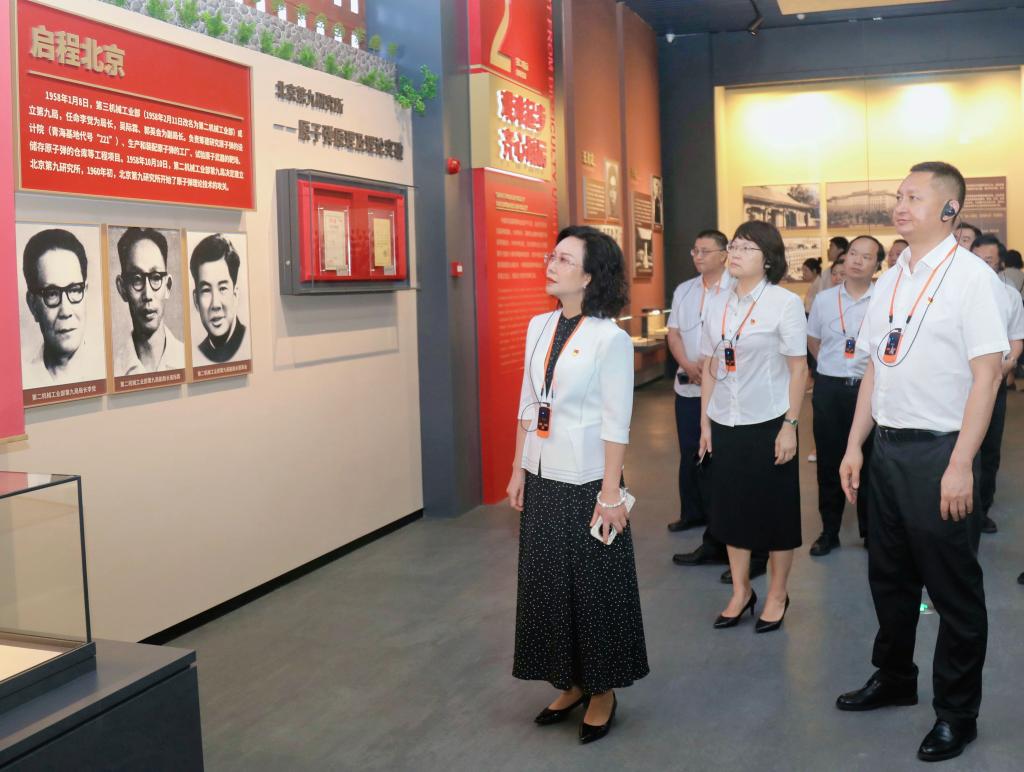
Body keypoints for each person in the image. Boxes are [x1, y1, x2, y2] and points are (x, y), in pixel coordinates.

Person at [836, 162, 1008, 762]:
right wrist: (854, 445)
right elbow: (876, 368)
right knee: (890, 578)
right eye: (898, 195)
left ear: (949, 209)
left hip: (941, 452)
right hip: (886, 449)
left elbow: (988, 378)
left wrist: (961, 464)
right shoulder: (891, 277)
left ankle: (957, 713)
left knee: (953, 590)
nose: (900, 205)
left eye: (913, 197)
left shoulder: (972, 280)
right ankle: (895, 676)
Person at [507, 225, 648, 745]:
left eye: (564, 259)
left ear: (590, 276)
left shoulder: (610, 338)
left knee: (593, 589)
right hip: (542, 475)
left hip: (588, 481)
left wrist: (611, 493)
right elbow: (528, 402)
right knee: (547, 584)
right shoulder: (538, 325)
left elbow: (617, 421)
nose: (552, 263)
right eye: (553, 255)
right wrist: (518, 468)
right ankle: (568, 682)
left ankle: (602, 690)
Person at [699, 220, 807, 632]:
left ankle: (777, 594)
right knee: (731, 512)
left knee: (776, 514)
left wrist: (790, 425)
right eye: (734, 246)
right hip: (726, 420)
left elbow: (798, 370)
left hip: (769, 422)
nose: (736, 253)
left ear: (769, 259)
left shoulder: (784, 303)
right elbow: (711, 365)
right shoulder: (717, 303)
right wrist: (706, 422)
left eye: (747, 248)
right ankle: (741, 592)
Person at [806, 236, 883, 556]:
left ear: (877, 265)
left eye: (866, 256)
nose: (857, 260)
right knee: (829, 460)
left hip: (870, 389)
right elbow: (813, 340)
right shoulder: (824, 300)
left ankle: (871, 531)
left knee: (872, 461)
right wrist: (833, 365)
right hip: (830, 390)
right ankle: (829, 531)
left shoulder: (884, 299)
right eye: (853, 253)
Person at [665, 229, 732, 534]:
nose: (698, 256)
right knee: (690, 450)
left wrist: (709, 370)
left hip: (723, 388)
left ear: (724, 255)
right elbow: (674, 334)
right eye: (695, 251)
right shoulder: (684, 290)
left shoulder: (734, 289)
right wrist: (688, 366)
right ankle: (691, 512)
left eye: (705, 251)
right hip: (689, 384)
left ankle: (720, 517)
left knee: (720, 453)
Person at [970, 234, 1024, 534]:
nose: (981, 264)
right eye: (975, 258)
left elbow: (1016, 337)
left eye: (988, 260)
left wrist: (1010, 362)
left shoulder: (1009, 295)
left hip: (994, 382)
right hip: (956, 384)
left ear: (1000, 263)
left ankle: (981, 510)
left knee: (988, 448)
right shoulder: (953, 290)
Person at [21, 228, 99, 387]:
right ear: (33, 305)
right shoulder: (23, 380)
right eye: (52, 294)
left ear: (85, 292)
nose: (66, 311)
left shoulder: (109, 367)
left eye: (74, 290)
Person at [114, 228, 185, 376]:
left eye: (156, 277)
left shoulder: (187, 358)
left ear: (167, 286)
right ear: (122, 288)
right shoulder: (114, 370)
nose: (147, 294)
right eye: (137, 279)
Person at [190, 234, 248, 364]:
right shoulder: (199, 353)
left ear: (235, 295)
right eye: (206, 290)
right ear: (196, 301)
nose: (215, 304)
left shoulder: (247, 340)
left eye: (222, 288)